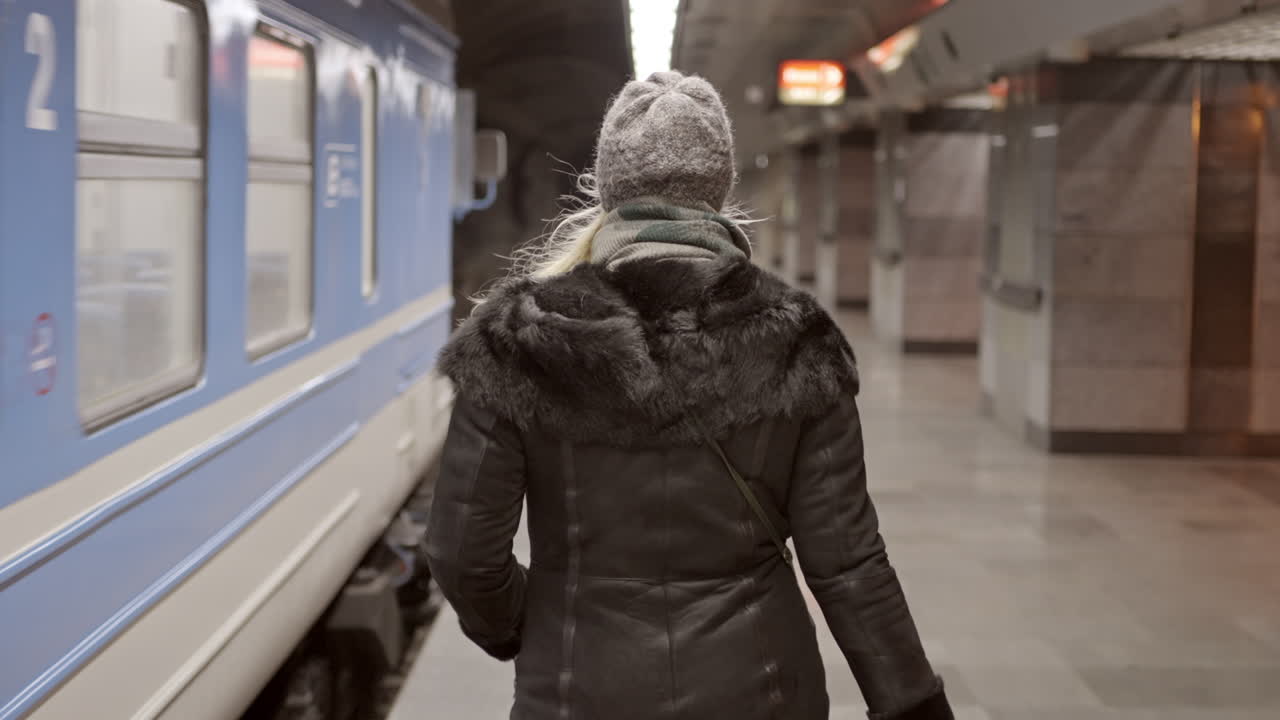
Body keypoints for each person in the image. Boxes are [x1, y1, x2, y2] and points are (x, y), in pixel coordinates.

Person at [425, 71, 953, 720]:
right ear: (719, 190)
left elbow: (462, 552)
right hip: (762, 690)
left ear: (609, 188)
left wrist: (524, 625)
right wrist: (912, 704)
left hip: (576, 690)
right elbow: (849, 565)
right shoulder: (794, 339)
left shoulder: (521, 338)